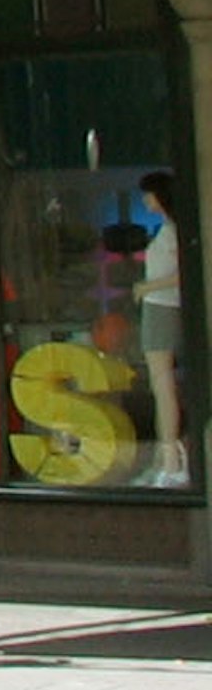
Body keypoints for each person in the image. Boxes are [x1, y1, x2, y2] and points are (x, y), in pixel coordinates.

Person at [140, 173, 188, 489]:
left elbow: (187, 272)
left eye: (148, 194)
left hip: (161, 307)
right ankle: (166, 457)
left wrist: (148, 286)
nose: (145, 200)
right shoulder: (169, 231)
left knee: (162, 386)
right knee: (161, 385)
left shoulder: (175, 234)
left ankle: (171, 460)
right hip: (158, 306)